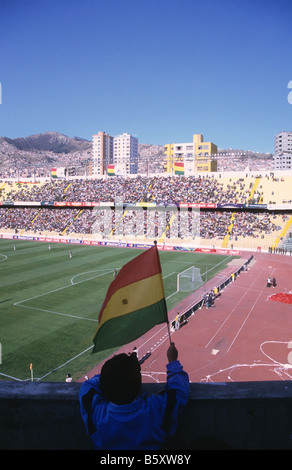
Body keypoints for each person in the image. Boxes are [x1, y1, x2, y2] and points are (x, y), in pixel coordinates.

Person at [79, 342, 189, 450]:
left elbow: (88, 386)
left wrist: (113, 375)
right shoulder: (156, 409)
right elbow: (178, 391)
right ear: (138, 383)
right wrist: (173, 362)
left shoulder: (97, 414)